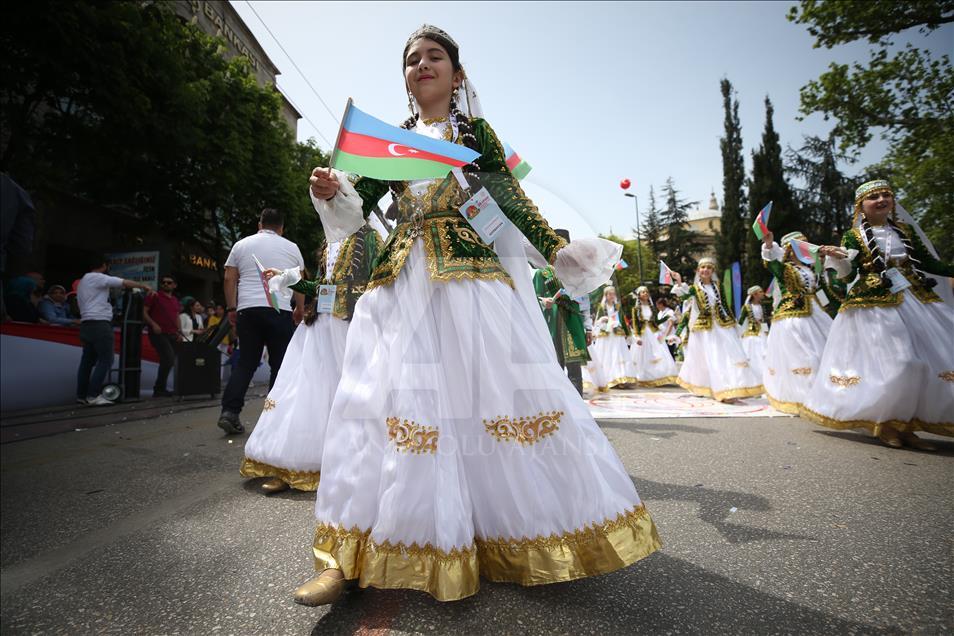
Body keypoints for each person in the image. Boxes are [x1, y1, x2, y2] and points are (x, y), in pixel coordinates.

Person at [286, 25, 660, 606]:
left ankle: (530, 539)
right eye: (413, 59)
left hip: (468, 279)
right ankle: (345, 555)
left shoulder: (475, 134)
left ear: (457, 75)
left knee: (497, 402)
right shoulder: (393, 143)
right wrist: (332, 188)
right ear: (406, 78)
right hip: (399, 282)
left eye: (435, 56)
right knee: (370, 407)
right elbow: (355, 198)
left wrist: (556, 249)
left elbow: (508, 198)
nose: (423, 64)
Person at [801, 180, 954, 450]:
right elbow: (848, 273)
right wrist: (837, 257)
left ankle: (908, 425)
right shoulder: (854, 235)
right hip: (874, 306)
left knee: (930, 361)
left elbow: (928, 263)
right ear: (861, 206)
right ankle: (886, 423)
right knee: (902, 363)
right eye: (874, 197)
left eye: (886, 195)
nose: (882, 200)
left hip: (915, 299)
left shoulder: (905, 231)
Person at [242, 223, 381, 494]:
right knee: (302, 394)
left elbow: (381, 281)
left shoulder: (371, 237)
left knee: (351, 393)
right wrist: (287, 278)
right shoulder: (330, 239)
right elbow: (320, 284)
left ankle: (356, 469)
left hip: (351, 325)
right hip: (319, 324)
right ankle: (290, 467)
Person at [216, 208, 306, 435]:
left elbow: (229, 277)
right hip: (280, 310)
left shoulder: (241, 245)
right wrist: (300, 309)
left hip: (248, 309)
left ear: (260, 224)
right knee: (280, 364)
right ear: (281, 227)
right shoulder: (292, 247)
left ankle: (230, 412)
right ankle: (274, 418)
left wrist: (231, 307)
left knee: (246, 362)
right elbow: (299, 281)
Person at [758, 232, 834, 414]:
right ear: (790, 250)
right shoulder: (784, 269)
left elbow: (823, 293)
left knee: (825, 353)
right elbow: (771, 263)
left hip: (815, 315)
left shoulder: (812, 269)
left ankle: (822, 395)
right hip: (792, 319)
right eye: (801, 245)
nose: (806, 248)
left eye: (807, 245)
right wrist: (769, 245)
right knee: (805, 357)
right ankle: (803, 397)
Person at [671, 258, 762, 402]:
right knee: (710, 357)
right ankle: (716, 389)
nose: (705, 270)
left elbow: (725, 305)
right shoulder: (695, 288)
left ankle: (730, 387)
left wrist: (733, 323)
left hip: (721, 325)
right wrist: (678, 280)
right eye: (702, 267)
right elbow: (684, 295)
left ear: (712, 271)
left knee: (727, 355)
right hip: (704, 328)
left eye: (709, 267)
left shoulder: (718, 286)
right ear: (698, 271)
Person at [75, 255, 151, 405]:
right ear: (104, 265)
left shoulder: (83, 281)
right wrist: (144, 286)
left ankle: (82, 395)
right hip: (100, 324)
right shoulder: (98, 277)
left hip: (86, 324)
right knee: (106, 360)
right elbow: (123, 282)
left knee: (87, 362)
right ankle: (93, 395)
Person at [532, 263, 591, 396]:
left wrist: (589, 329)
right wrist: (543, 301)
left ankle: (578, 407)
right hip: (551, 324)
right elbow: (532, 296)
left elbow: (585, 303)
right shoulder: (542, 273)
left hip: (573, 324)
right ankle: (559, 407)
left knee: (574, 368)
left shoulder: (576, 273)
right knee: (555, 368)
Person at [583, 286, 634, 391]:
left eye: (613, 294)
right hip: (606, 335)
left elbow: (623, 321)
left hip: (616, 335)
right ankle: (606, 378)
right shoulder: (602, 307)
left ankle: (620, 378)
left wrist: (628, 334)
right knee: (607, 356)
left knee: (618, 355)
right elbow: (597, 322)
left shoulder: (618, 307)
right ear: (606, 296)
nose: (612, 296)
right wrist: (603, 320)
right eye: (609, 294)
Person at [629, 286, 678, 387]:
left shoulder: (652, 307)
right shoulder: (636, 309)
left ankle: (657, 376)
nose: (645, 294)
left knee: (658, 353)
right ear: (639, 295)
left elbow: (656, 321)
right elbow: (635, 323)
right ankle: (644, 376)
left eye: (646, 292)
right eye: (643, 292)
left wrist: (667, 317)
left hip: (653, 332)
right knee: (643, 355)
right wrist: (637, 336)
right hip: (643, 334)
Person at [143, 275, 181, 397]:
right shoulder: (154, 295)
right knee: (168, 358)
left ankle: (161, 388)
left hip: (172, 333)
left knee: (168, 360)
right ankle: (159, 389)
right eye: (163, 282)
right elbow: (144, 312)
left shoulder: (175, 300)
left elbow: (177, 316)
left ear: (174, 285)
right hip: (158, 333)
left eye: (169, 282)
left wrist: (179, 331)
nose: (165, 284)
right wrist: (153, 324)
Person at [737, 285, 769, 378]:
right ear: (755, 294)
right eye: (761, 292)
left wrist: (766, 331)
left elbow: (764, 319)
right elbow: (741, 321)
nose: (763, 294)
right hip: (751, 333)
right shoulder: (747, 307)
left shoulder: (762, 306)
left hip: (762, 331)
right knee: (752, 351)